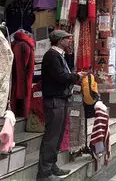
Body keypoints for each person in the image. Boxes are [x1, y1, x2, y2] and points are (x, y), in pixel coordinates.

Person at [37, 30, 87, 181]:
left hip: (60, 100)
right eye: (67, 38)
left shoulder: (58, 55)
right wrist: (77, 76)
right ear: (59, 41)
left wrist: (74, 76)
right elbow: (61, 76)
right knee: (51, 137)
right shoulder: (52, 56)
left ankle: (52, 166)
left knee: (57, 136)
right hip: (54, 101)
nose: (70, 41)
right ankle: (44, 173)